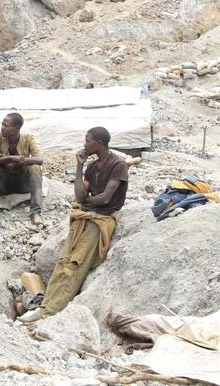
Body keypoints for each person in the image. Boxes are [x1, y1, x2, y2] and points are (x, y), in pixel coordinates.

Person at [20, 127, 128, 322]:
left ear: (100, 143)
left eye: (88, 140)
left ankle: (51, 312)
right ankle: (45, 306)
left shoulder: (118, 165)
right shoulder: (94, 167)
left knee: (76, 264)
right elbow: (80, 195)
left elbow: (105, 199)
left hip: (101, 220)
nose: (85, 144)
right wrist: (80, 167)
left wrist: (87, 201)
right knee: (63, 261)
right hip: (85, 215)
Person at [0, 113, 44, 228]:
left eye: (6, 125)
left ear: (17, 128)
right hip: (3, 185)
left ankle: (35, 212)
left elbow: (40, 159)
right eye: (2, 124)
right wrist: (8, 158)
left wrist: (18, 159)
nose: (2, 127)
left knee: (35, 167)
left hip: (22, 184)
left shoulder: (28, 138)